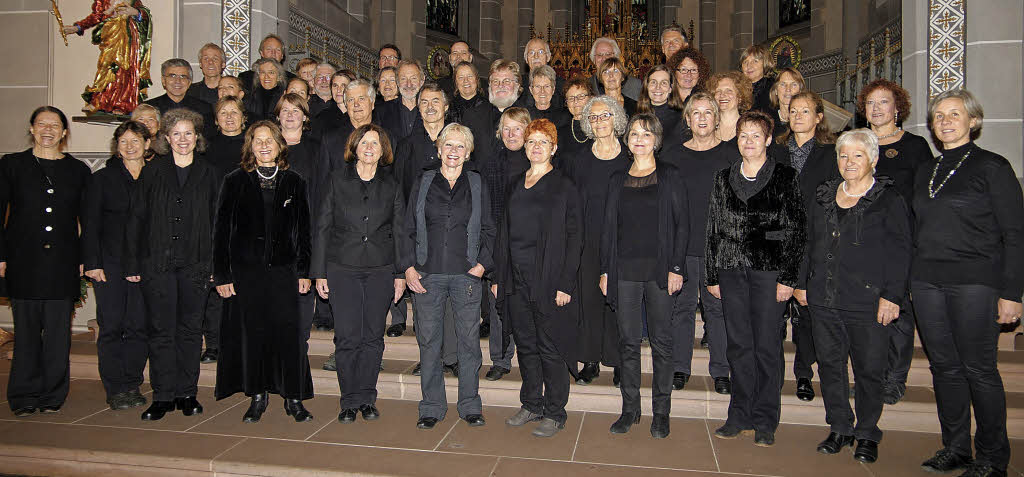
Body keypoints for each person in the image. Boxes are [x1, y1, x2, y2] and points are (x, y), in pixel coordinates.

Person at [914, 89, 1022, 477]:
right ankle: (956, 447)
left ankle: (993, 457)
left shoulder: (992, 167)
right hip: (927, 282)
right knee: (944, 368)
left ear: (973, 121)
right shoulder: (928, 170)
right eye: (938, 115)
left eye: (954, 114)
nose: (944, 120)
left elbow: (1014, 233)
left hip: (976, 282)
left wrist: (1012, 293)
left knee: (979, 369)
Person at [795, 129, 912, 464]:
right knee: (831, 366)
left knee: (869, 369)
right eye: (844, 155)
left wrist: (892, 296)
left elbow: (901, 252)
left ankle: (867, 433)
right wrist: (802, 283)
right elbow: (808, 242)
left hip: (868, 300)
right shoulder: (824, 195)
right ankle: (840, 426)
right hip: (824, 297)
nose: (849, 162)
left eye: (858, 155)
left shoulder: (888, 199)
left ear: (873, 160)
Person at [706, 111, 806, 447]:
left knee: (766, 346)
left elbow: (796, 229)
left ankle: (765, 419)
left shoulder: (784, 177)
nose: (748, 141)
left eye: (755, 135)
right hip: (731, 270)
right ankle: (739, 414)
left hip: (769, 272)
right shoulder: (724, 177)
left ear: (767, 139)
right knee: (738, 345)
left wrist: (789, 278)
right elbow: (713, 228)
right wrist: (711, 274)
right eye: (743, 135)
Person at [213, 120, 314, 423]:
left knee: (289, 335)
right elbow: (221, 232)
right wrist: (223, 275)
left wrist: (304, 271)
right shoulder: (234, 181)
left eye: (270, 140)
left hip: (284, 272)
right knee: (254, 334)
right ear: (250, 147)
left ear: (280, 144)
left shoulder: (294, 181)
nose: (264, 145)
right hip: (248, 273)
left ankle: (293, 397)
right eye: (258, 140)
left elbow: (304, 232)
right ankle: (258, 395)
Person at [124, 108, 220, 421]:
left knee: (191, 332)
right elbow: (137, 218)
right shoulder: (152, 172)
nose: (183, 139)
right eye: (176, 133)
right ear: (166, 138)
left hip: (196, 264)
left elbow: (218, 222)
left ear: (197, 137)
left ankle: (186, 394)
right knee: (161, 331)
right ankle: (163, 395)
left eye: (188, 133)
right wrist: (134, 261)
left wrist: (216, 265)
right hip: (158, 263)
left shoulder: (210, 173)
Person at [400, 123, 495, 430]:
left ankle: (469, 405)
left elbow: (490, 229)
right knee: (429, 343)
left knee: (468, 344)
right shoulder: (424, 180)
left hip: (466, 276)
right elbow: (407, 227)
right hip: (427, 275)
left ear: (468, 153)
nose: (454, 151)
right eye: (448, 145)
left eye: (460, 146)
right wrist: (409, 267)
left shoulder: (478, 183)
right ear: (439, 149)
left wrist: (482, 265)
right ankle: (431, 406)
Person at [599, 113, 688, 438]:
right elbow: (608, 229)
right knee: (628, 342)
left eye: (646, 134)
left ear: (656, 140)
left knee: (663, 342)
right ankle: (630, 409)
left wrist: (677, 267)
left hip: (659, 269)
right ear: (627, 140)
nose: (639, 139)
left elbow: (683, 226)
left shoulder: (670, 175)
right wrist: (605, 270)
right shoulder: (616, 178)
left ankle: (661, 412)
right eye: (634, 133)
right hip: (623, 270)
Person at [493, 119, 582, 437]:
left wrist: (565, 283)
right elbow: (504, 233)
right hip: (516, 279)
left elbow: (575, 236)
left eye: (543, 141)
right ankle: (532, 403)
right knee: (526, 345)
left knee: (550, 346)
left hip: (548, 280)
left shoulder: (564, 185)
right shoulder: (516, 183)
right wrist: (499, 277)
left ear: (554, 148)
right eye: (531, 141)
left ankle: (555, 411)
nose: (536, 146)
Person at [312, 124, 406, 424]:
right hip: (342, 268)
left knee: (373, 337)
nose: (369, 147)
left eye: (375, 143)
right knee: (348, 337)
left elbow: (401, 231)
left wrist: (401, 272)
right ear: (354, 147)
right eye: (363, 142)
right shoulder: (336, 179)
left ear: (383, 150)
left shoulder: (392, 184)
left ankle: (367, 397)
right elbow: (323, 227)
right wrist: (319, 272)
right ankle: (349, 400)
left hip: (380, 269)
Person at [1, 106, 91, 417]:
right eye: (42, 124)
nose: (48, 130)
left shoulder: (78, 171)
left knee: (57, 333)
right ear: (32, 128)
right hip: (24, 261)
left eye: (55, 125)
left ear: (65, 133)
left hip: (63, 263)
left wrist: (85, 258)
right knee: (25, 332)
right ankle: (23, 393)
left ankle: (53, 393)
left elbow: (87, 220)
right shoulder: (12, 165)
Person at [856, 79, 932, 405]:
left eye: (883, 102)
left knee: (898, 311)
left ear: (897, 108)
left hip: (902, 240)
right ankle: (869, 376)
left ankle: (894, 378)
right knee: (865, 315)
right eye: (871, 103)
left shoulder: (915, 147)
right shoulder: (856, 144)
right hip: (863, 242)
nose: (876, 108)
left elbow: (927, 198)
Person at [663, 92, 735, 395]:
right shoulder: (672, 155)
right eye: (696, 113)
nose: (702, 118)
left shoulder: (731, 155)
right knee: (681, 309)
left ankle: (721, 370)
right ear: (688, 119)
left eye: (708, 113)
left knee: (717, 310)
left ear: (716, 119)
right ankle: (680, 367)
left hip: (719, 246)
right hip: (683, 245)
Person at [83, 120, 151, 411]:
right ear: (117, 146)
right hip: (109, 264)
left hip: (146, 265)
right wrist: (92, 263)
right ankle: (115, 387)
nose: (130, 146)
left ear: (148, 145)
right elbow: (90, 225)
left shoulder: (156, 176)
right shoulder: (102, 179)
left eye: (136, 140)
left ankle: (132, 383)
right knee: (111, 325)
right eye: (124, 141)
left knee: (138, 325)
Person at [777, 90, 840, 402]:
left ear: (818, 117)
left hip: (814, 242)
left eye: (805, 111)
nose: (798, 115)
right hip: (776, 242)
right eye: (793, 110)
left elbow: (832, 201)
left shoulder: (830, 154)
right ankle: (773, 372)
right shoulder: (776, 150)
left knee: (806, 311)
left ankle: (804, 372)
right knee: (774, 313)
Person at [561, 96, 630, 385]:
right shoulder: (579, 160)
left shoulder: (630, 157)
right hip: (587, 240)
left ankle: (617, 360)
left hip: (621, 240)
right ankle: (589, 358)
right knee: (588, 300)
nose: (600, 122)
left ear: (617, 119)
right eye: (594, 117)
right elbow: (571, 204)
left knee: (617, 301)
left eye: (606, 116)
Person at [477, 107, 533, 380]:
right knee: (498, 302)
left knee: (528, 304)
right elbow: (486, 212)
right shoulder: (491, 163)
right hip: (499, 242)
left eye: (518, 128)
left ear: (528, 130)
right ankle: (500, 359)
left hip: (530, 245)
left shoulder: (537, 160)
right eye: (507, 128)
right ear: (500, 132)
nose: (512, 134)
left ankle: (530, 357)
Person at [199, 95, 248, 364]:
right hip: (214, 220)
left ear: (243, 116)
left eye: (234, 112)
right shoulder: (206, 149)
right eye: (223, 113)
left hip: (246, 223)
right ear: (216, 120)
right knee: (217, 284)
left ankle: (241, 341)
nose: (229, 117)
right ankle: (214, 344)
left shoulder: (252, 146)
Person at [64, 1, 152, 114]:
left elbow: (145, 14)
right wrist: (78, 27)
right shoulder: (103, 1)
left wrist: (135, 12)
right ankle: (99, 101)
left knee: (123, 70)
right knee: (105, 67)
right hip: (110, 35)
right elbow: (96, 16)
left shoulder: (133, 0)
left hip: (128, 38)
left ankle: (122, 104)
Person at [145, 59, 215, 137]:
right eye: (172, 76)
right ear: (163, 81)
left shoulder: (204, 109)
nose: (177, 81)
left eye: (183, 76)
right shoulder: (149, 108)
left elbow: (208, 141)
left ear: (189, 82)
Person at [320, 79, 379, 172]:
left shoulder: (385, 137)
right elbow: (323, 179)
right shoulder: (330, 140)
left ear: (372, 103)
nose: (356, 104)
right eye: (351, 100)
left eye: (361, 99)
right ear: (346, 106)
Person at [664, 47, 711, 145]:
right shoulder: (663, 98)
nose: (688, 75)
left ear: (700, 74)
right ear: (674, 72)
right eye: (683, 70)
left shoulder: (707, 100)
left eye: (693, 70)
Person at [379, 60, 426, 143]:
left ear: (422, 81)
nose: (409, 84)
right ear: (397, 82)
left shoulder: (430, 110)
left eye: (413, 78)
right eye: (403, 79)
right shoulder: (381, 111)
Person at [554, 78, 595, 163]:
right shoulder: (559, 132)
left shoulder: (599, 127)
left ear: (591, 98)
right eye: (571, 98)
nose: (576, 101)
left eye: (581, 96)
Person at [636, 65, 681, 139]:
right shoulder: (636, 114)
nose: (658, 87)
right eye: (653, 82)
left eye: (664, 83)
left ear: (670, 88)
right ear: (647, 86)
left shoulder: (681, 119)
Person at [707, 71, 752, 143]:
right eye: (718, 91)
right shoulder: (707, 127)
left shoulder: (750, 127)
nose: (722, 95)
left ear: (740, 97)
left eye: (729, 91)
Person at [521, 37, 566, 108]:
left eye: (541, 52)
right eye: (531, 52)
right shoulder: (519, 84)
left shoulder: (562, 85)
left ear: (548, 57)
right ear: (526, 59)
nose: (536, 56)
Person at [314, 70, 358, 137]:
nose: (338, 90)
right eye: (335, 85)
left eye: (343, 86)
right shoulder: (322, 117)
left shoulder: (361, 114)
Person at [740, 44, 775, 115]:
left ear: (765, 63)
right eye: (745, 62)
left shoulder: (774, 88)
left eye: (755, 61)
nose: (749, 66)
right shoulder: (738, 88)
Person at [769, 67, 804, 137]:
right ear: (776, 90)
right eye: (783, 84)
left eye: (794, 85)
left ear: (800, 91)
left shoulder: (806, 121)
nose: (788, 89)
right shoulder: (767, 121)